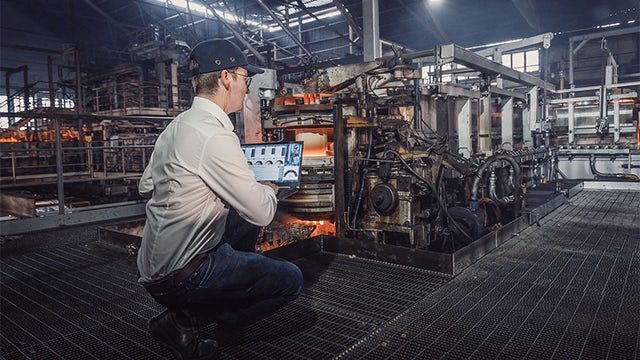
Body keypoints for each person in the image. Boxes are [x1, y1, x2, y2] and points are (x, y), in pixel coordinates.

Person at [137, 39, 304, 360]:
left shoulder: (177, 126)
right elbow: (263, 213)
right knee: (291, 280)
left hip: (151, 270)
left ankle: (182, 317)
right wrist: (268, 186)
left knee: (236, 217)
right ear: (226, 77)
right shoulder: (215, 135)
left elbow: (146, 186)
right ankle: (196, 323)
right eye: (245, 79)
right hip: (182, 278)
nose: (247, 88)